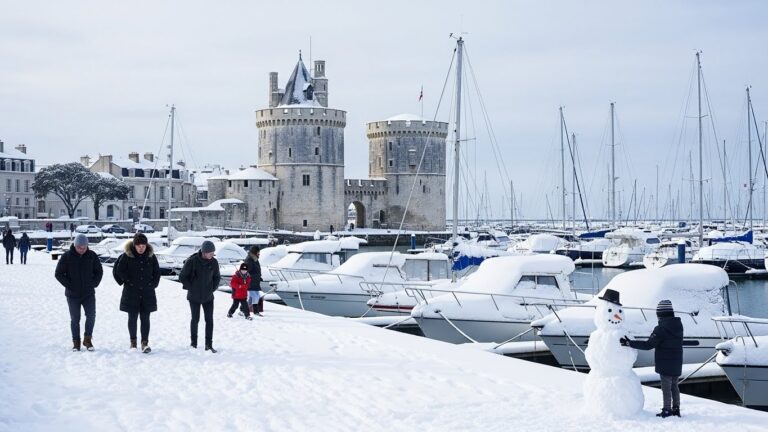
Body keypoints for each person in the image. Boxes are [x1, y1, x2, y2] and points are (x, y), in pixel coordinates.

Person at [621, 299, 684, 418]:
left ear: (660, 314)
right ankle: (676, 409)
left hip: (665, 363)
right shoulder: (678, 325)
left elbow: (648, 345)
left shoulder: (660, 329)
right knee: (674, 386)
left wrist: (630, 343)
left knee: (666, 388)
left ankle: (667, 410)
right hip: (676, 362)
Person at [55, 233, 103, 351]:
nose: (82, 249)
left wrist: (94, 283)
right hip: (72, 295)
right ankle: (76, 342)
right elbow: (58, 274)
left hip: (88, 293)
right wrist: (70, 285)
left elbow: (99, 271)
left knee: (91, 316)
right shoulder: (67, 256)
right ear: (75, 245)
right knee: (75, 319)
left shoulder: (92, 256)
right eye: (79, 247)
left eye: (84, 247)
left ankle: (87, 339)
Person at [113, 233, 160, 353]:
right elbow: (119, 270)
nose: (141, 248)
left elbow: (156, 272)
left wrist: (153, 284)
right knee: (132, 317)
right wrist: (128, 281)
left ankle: (145, 343)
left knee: (145, 318)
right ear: (134, 245)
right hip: (131, 292)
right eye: (139, 246)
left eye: (143, 246)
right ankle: (133, 342)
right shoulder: (127, 255)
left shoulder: (151, 256)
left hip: (147, 293)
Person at [179, 240, 220, 353]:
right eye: (210, 253)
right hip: (194, 296)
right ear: (204, 252)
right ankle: (194, 343)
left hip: (208, 297)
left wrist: (212, 288)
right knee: (195, 319)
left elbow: (217, 277)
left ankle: (208, 345)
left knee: (209, 320)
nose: (212, 255)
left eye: (213, 253)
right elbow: (182, 276)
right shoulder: (192, 261)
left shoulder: (214, 262)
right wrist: (191, 287)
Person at [245, 246, 264, 316]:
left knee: (255, 297)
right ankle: (243, 310)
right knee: (254, 297)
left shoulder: (255, 259)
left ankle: (255, 312)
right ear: (255, 252)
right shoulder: (249, 260)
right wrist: (250, 278)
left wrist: (259, 277)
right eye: (258, 252)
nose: (259, 254)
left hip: (255, 281)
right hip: (251, 282)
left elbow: (256, 270)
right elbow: (246, 271)